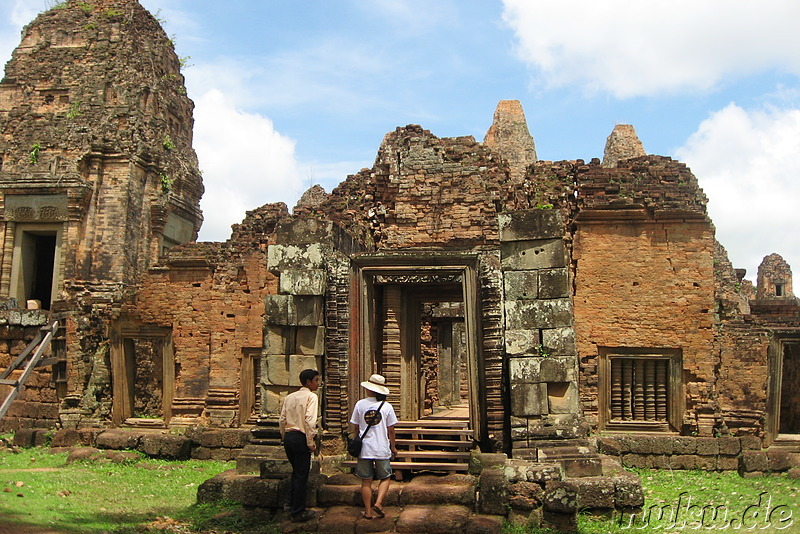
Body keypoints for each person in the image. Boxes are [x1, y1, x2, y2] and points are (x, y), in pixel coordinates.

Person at [349, 373, 398, 520]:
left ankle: (368, 511)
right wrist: (393, 447)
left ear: (369, 389)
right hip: (382, 447)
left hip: (365, 448)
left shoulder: (360, 404)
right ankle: (378, 503)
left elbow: (356, 428)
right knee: (386, 477)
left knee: (366, 481)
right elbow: (391, 430)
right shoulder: (387, 406)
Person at [278, 368, 321, 523]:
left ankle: (289, 504)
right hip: (301, 437)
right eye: (316, 380)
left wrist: (284, 437)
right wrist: (310, 442)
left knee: (296, 472)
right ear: (308, 382)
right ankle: (298, 512)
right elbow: (310, 420)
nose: (318, 383)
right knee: (302, 475)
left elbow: (282, 419)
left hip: (289, 437)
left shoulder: (289, 397)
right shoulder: (311, 397)